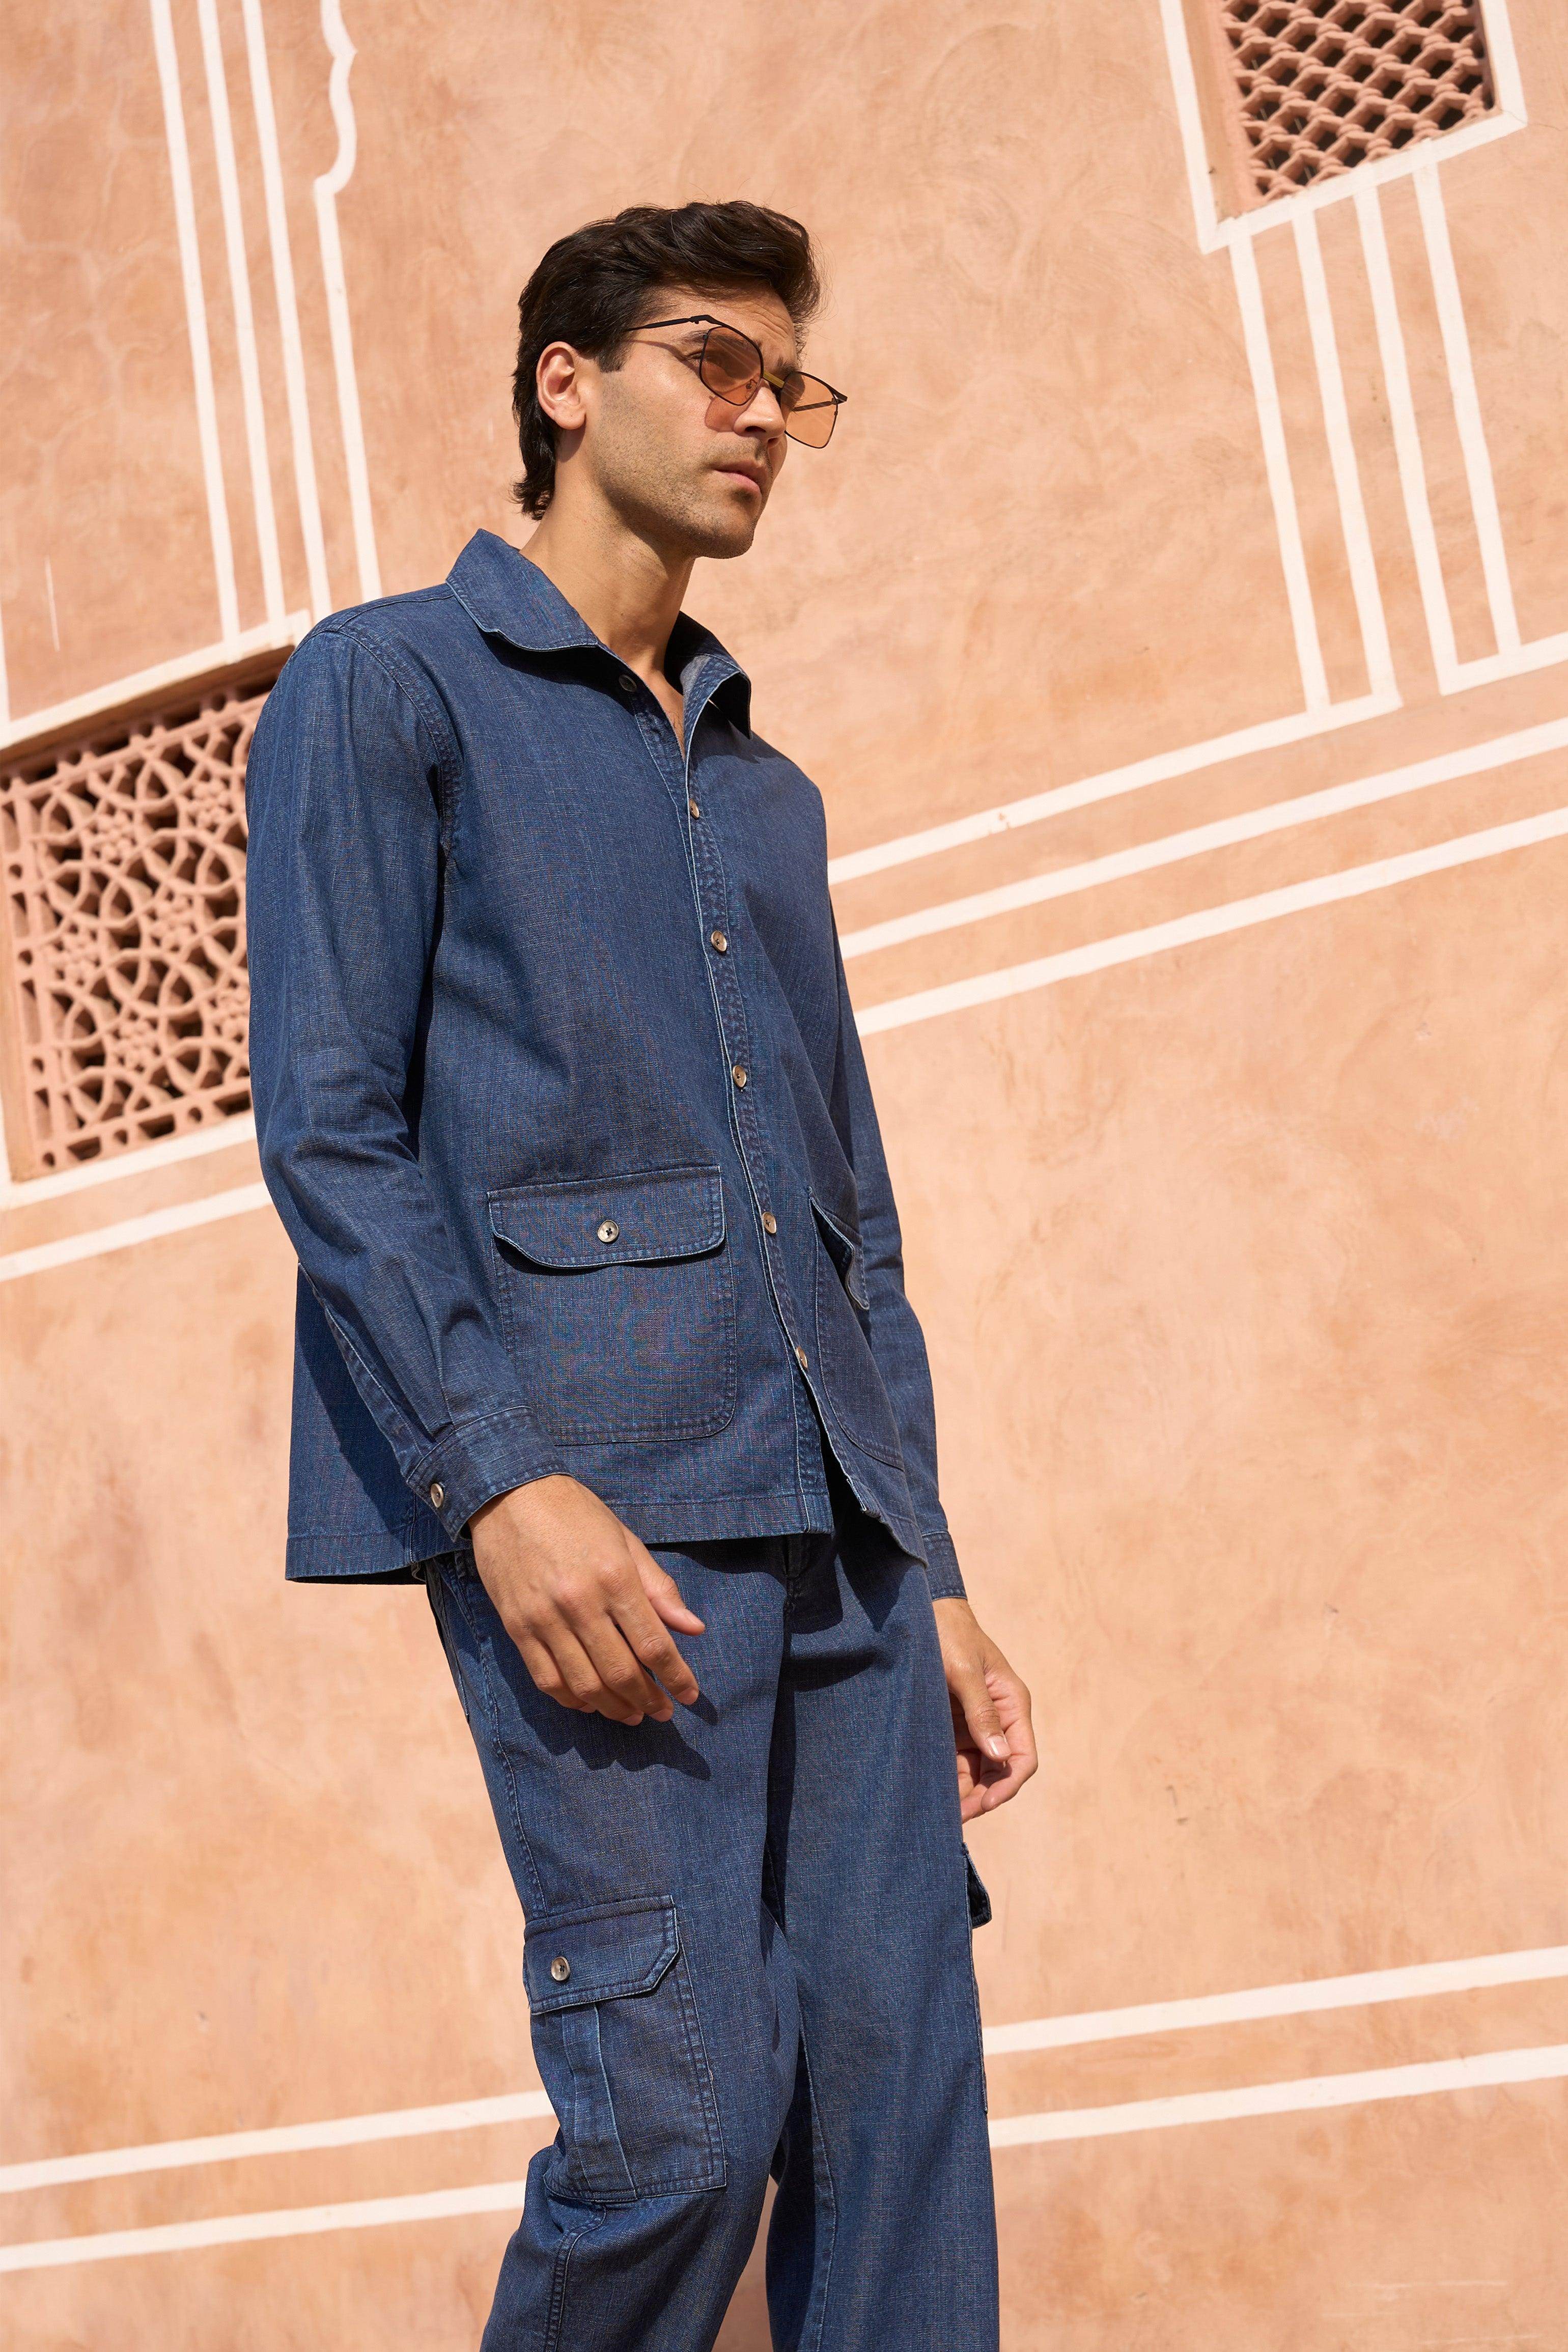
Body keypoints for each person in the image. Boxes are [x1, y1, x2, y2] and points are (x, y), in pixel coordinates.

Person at [245, 198, 1035, 2351]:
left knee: (896, 2126)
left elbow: (851, 1212)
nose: (762, 415)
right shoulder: (384, 685)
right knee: (680, 2119)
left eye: (791, 385)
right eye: (715, 361)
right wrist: (496, 1483)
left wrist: (932, 1566)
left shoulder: (768, 792)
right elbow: (330, 1129)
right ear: (565, 381)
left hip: (845, 1537)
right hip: (597, 1514)